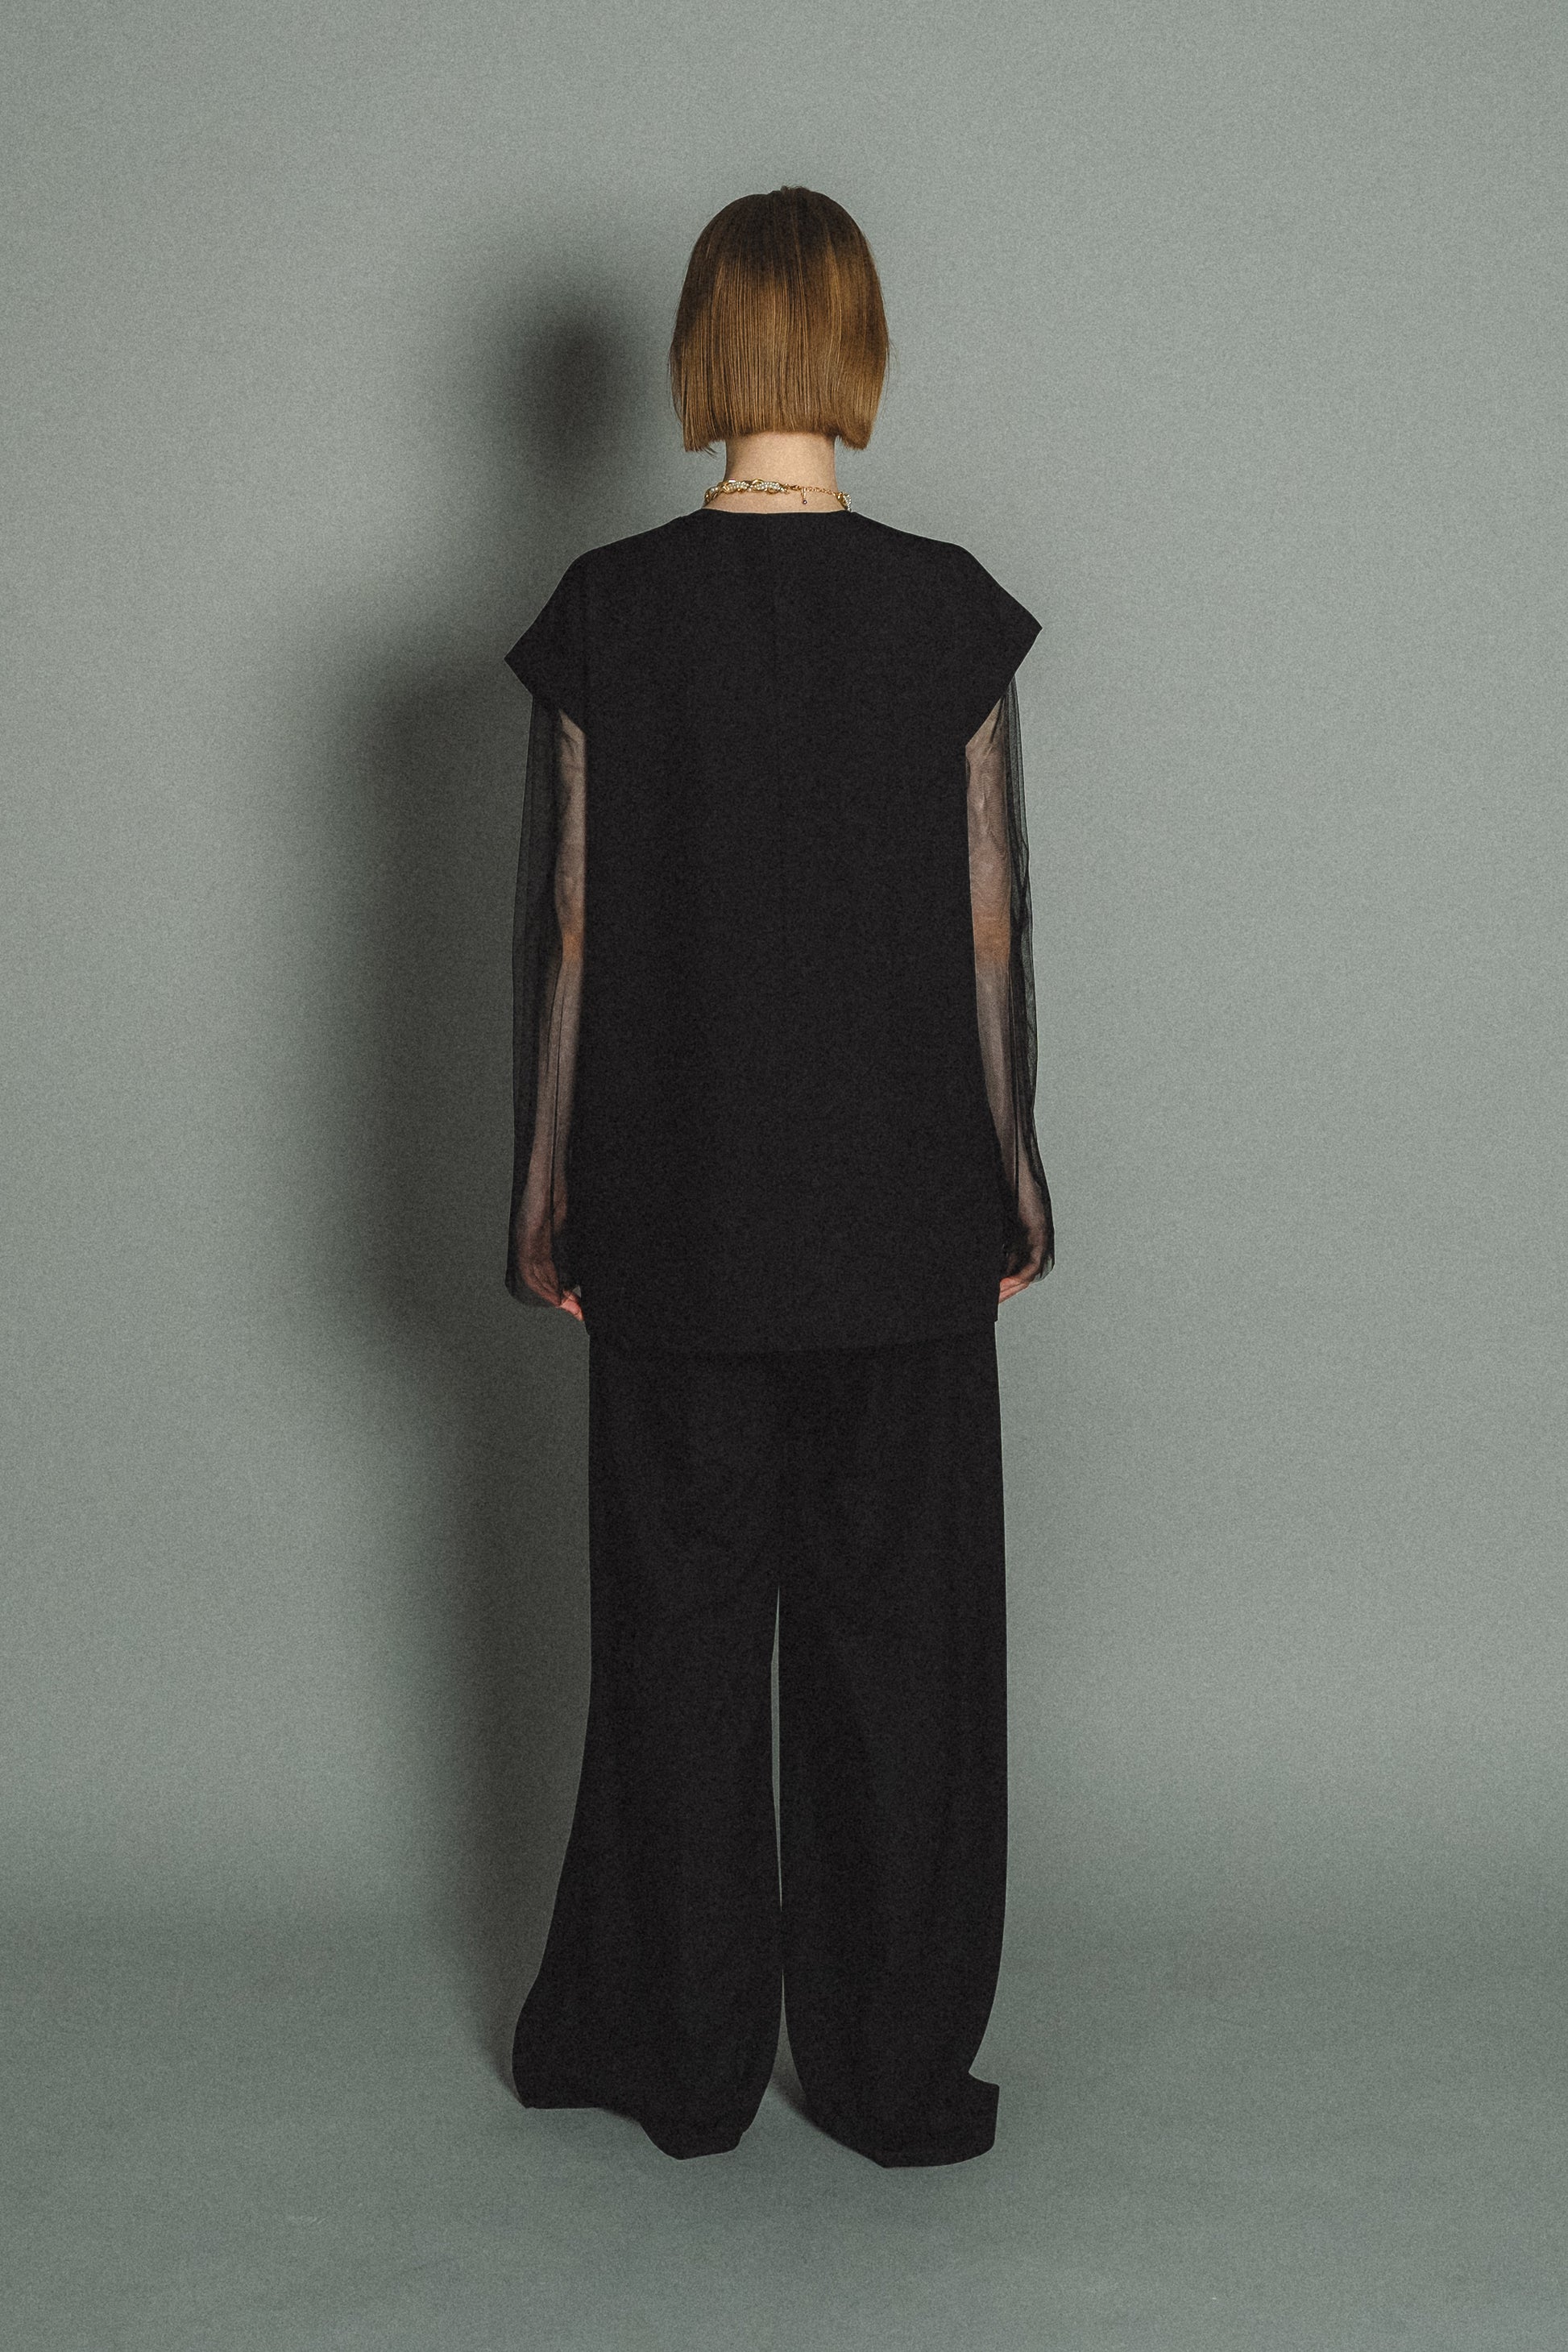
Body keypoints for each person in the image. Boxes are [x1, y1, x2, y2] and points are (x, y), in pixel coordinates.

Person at [499, 185, 1053, 2167]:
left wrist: (542, 1198)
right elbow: (988, 924)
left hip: (674, 1217)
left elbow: (570, 928)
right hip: (903, 1219)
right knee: (897, 1651)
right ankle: (893, 2073)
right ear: (859, 349)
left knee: (675, 1632)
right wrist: (1015, 1181)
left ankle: (683, 2055)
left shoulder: (610, 609)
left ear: (701, 353)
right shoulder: (947, 608)